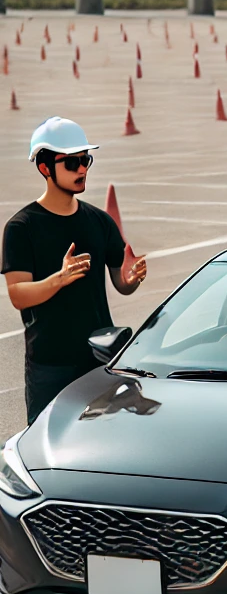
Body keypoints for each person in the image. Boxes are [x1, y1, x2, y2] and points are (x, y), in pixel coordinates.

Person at [2, 117, 147, 424]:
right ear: (45, 168)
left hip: (99, 359)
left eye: (85, 160)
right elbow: (18, 294)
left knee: (100, 444)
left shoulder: (99, 222)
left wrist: (131, 280)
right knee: (47, 444)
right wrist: (60, 278)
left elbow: (120, 282)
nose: (82, 169)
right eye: (71, 163)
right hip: (50, 364)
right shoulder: (21, 227)